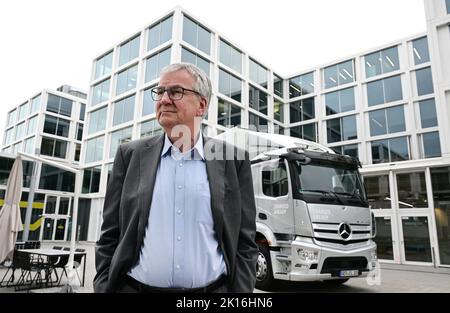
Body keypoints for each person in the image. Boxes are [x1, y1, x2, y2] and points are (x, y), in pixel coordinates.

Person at [94, 63, 258, 293]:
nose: (164, 99)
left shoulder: (234, 160)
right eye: (160, 92)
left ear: (202, 105)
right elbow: (109, 235)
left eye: (176, 92)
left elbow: (245, 241)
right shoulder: (129, 156)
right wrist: (104, 287)